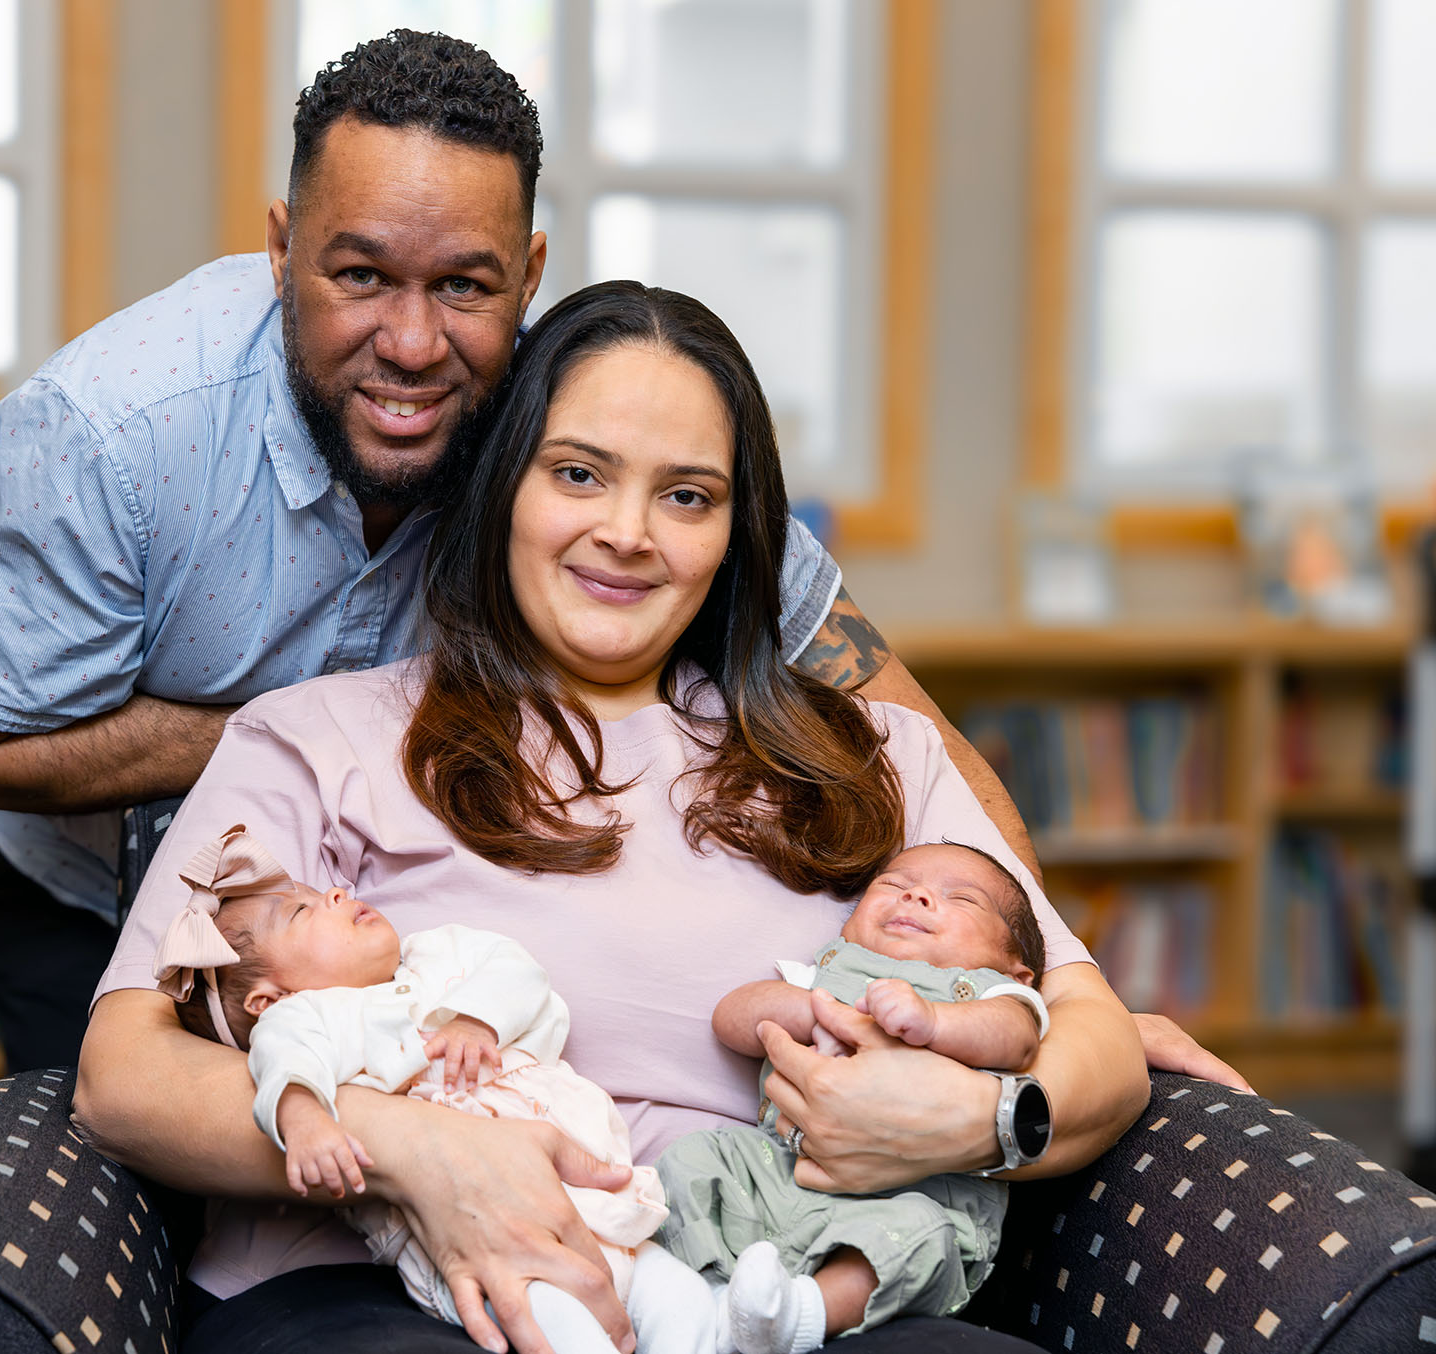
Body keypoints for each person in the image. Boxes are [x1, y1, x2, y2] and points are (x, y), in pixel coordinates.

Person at [0, 29, 1230, 1089]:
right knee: (141, 1217)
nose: (416, 344)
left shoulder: (583, 430)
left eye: (469, 287)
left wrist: (1052, 989)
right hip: (85, 886)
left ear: (531, 271)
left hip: (387, 935)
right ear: (279, 247)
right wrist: (299, 739)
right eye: (361, 274)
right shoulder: (107, 432)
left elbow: (908, 729)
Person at [75, 279, 1152, 1354]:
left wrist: (978, 1121)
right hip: (381, 1283)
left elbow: (1093, 1035)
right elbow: (120, 1073)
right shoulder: (312, 738)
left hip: (771, 1288)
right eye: (579, 474)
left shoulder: (878, 755)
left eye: (686, 496)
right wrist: (408, 1146)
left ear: (737, 531)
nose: (626, 533)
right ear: (502, 486)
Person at [148, 822, 714, 1354]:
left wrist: (475, 1020)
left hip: (593, 1201)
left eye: (324, 891)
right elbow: (283, 1061)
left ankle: (749, 1315)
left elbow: (515, 971)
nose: (338, 892)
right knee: (554, 1321)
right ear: (274, 999)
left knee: (677, 1296)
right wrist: (304, 1119)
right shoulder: (314, 1018)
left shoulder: (436, 957)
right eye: (304, 910)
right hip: (474, 1242)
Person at [655, 841, 1054, 1353]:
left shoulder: (993, 994)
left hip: (912, 1196)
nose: (916, 896)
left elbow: (1015, 1040)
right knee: (694, 1159)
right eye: (892, 884)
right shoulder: (826, 973)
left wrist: (934, 1021)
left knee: (922, 1240)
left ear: (1016, 969)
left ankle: (799, 1314)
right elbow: (731, 1017)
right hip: (779, 1169)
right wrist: (813, 1008)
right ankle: (706, 1302)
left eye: (962, 898)